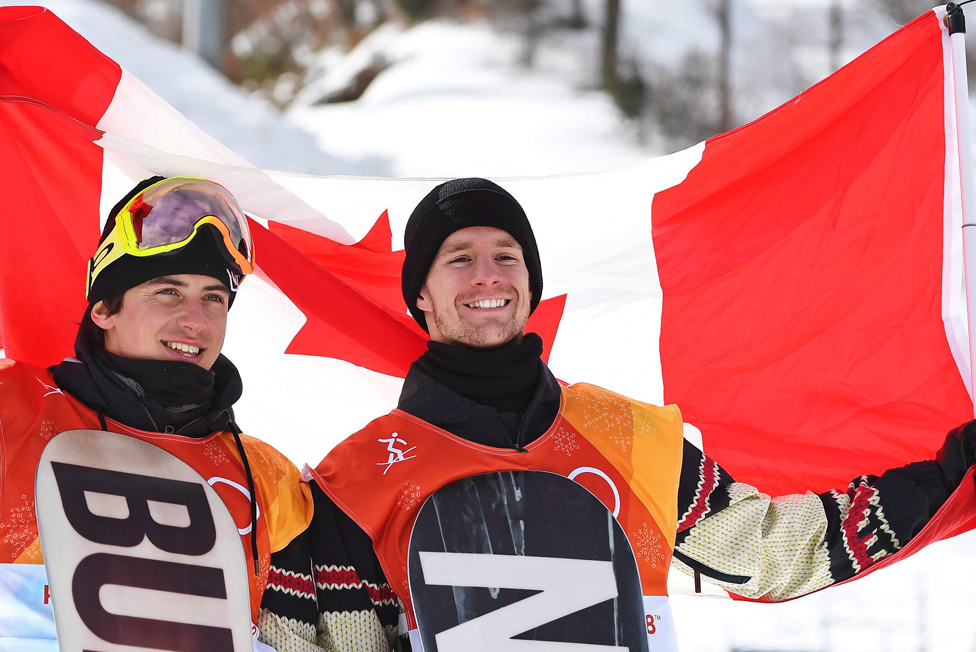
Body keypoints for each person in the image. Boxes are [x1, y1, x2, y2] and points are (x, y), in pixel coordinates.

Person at [277, 178, 976, 651]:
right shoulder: (357, 479)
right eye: (458, 258)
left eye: (506, 256)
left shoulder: (628, 437)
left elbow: (772, 552)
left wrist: (949, 479)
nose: (487, 275)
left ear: (530, 283)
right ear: (420, 297)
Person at [0, 5, 316, 651]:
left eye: (215, 297)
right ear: (101, 309)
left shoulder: (268, 483)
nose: (197, 318)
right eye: (166, 292)